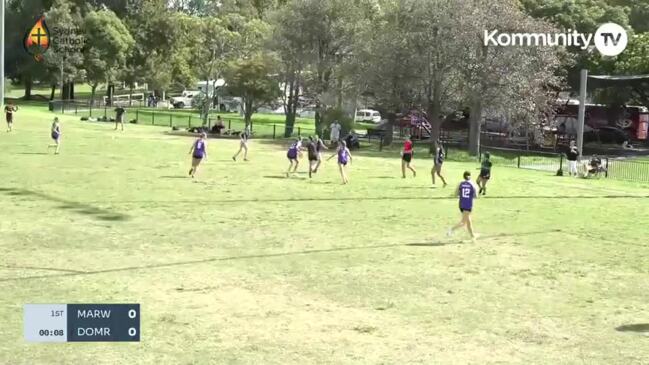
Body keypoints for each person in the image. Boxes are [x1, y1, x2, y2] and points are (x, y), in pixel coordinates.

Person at [447, 171, 478, 241]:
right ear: (470, 176)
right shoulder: (472, 184)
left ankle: (472, 236)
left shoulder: (460, 183)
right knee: (463, 222)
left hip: (461, 204)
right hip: (468, 205)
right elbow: (475, 196)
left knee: (468, 220)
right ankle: (451, 230)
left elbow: (455, 194)